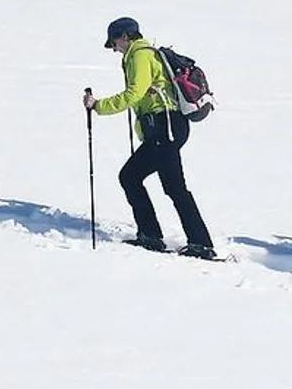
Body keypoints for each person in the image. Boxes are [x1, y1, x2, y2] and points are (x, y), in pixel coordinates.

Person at [83, 17, 216, 259]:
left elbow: (135, 93)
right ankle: (153, 236)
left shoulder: (140, 55)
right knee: (132, 177)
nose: (114, 48)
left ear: (125, 36)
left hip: (166, 127)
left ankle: (199, 243)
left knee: (170, 186)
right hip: (163, 129)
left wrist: (98, 105)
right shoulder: (140, 54)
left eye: (114, 42)